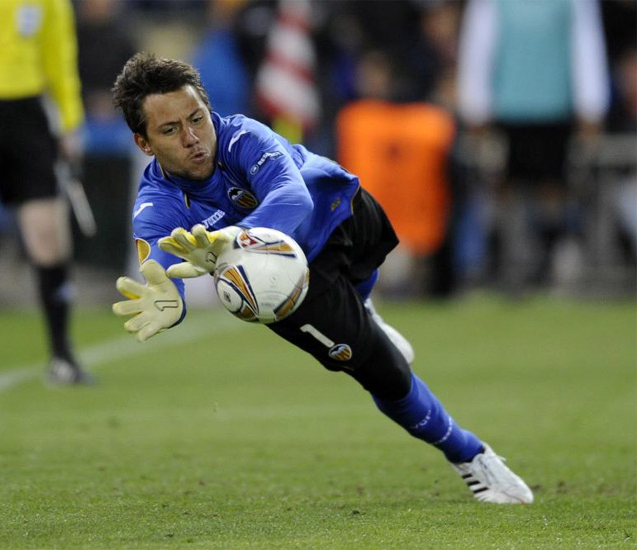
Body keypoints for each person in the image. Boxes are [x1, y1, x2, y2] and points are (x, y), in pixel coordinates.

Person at [111, 53, 533, 504]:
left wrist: (232, 239)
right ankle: (471, 455)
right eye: (170, 130)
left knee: (368, 274)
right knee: (386, 374)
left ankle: (363, 308)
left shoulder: (240, 136)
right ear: (144, 144)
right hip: (296, 291)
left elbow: (293, 198)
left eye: (196, 118)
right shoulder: (156, 207)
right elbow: (162, 274)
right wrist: (169, 300)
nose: (192, 138)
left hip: (341, 209)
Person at [456, 0, 610, 294]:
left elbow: (585, 43)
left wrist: (591, 104)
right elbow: (479, 46)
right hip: (507, 109)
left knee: (553, 189)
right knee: (506, 188)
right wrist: (475, 104)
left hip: (556, 108)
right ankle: (509, 262)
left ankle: (550, 258)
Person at [0, 0, 92, 384]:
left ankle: (62, 357)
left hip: (27, 115)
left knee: (48, 236)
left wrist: (70, 121)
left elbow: (60, 56)